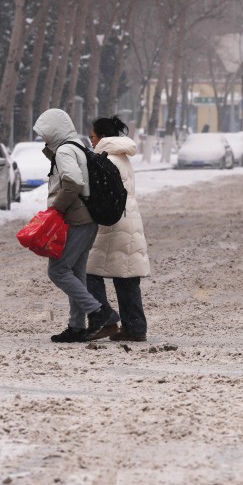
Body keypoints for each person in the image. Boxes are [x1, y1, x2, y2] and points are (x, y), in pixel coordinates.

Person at [34, 108, 119, 343]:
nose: (43, 138)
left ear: (54, 130)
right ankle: (76, 325)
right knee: (76, 273)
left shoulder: (64, 151)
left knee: (58, 270)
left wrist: (56, 209)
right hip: (87, 219)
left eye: (44, 133)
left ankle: (100, 312)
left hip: (76, 219)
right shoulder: (76, 146)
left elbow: (72, 182)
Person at [84, 115, 151, 343]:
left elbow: (101, 195)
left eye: (92, 136)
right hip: (129, 220)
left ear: (101, 136)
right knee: (126, 276)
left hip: (111, 224)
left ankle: (105, 317)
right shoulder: (122, 157)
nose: (91, 140)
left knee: (88, 270)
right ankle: (135, 327)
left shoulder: (105, 159)